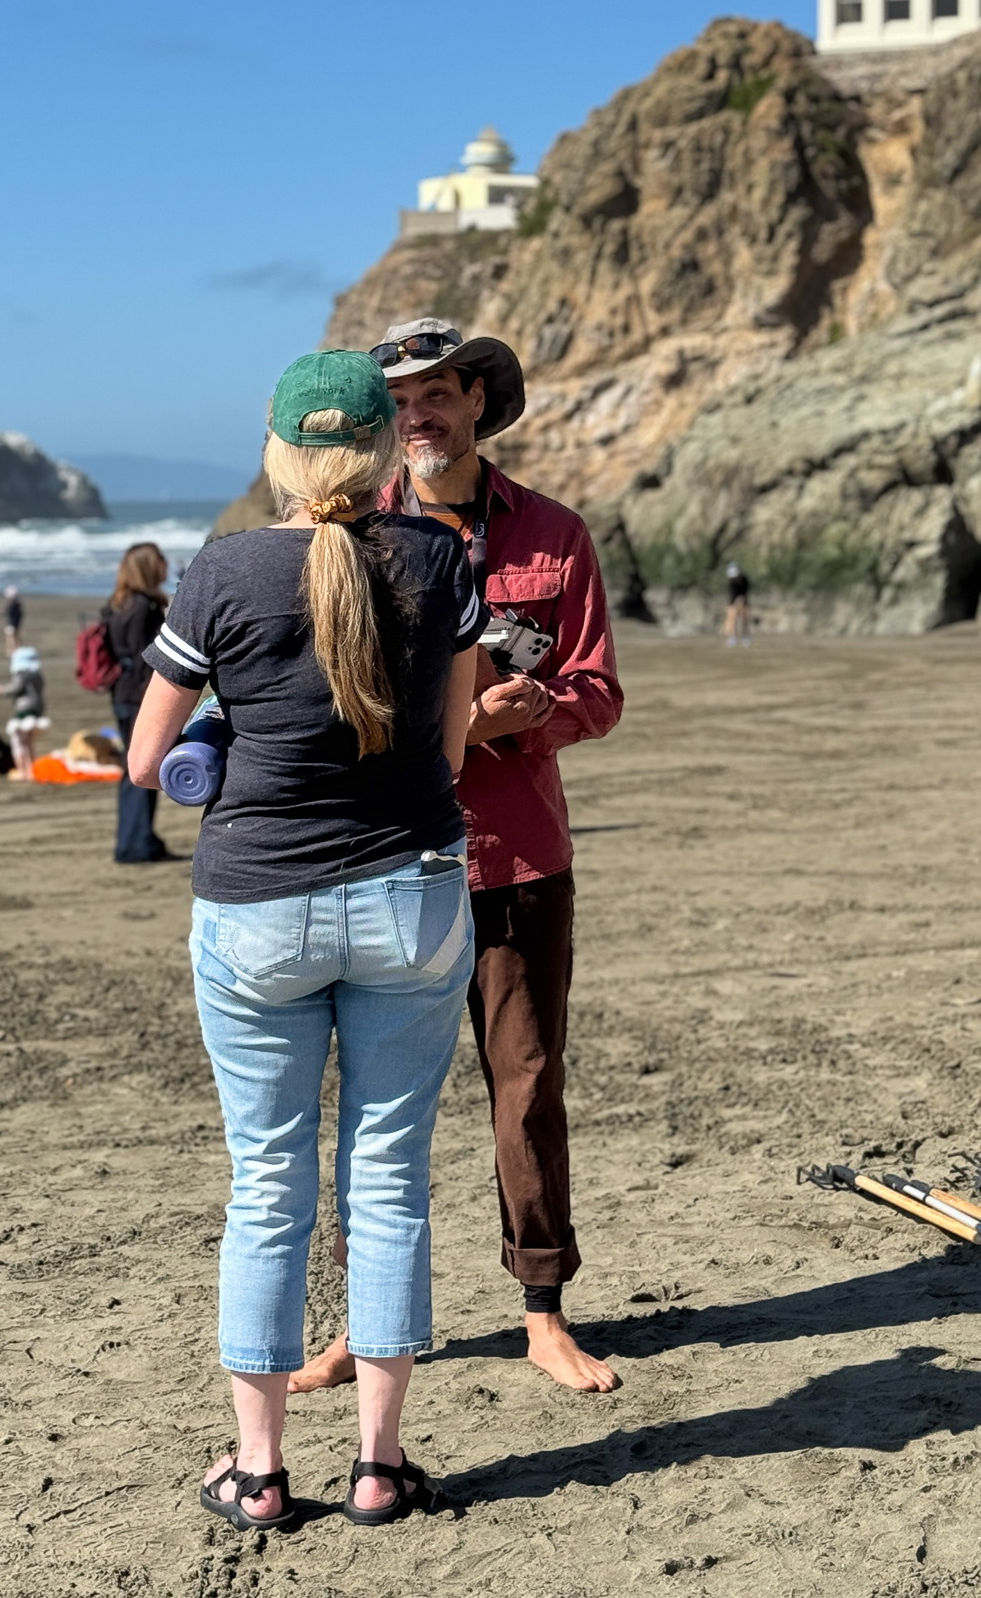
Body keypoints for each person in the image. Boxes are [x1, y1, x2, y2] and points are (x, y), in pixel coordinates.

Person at [128, 350, 484, 1530]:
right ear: (388, 447)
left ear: (278, 450)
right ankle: (380, 1467)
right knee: (388, 1182)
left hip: (258, 905)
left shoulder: (224, 570)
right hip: (413, 894)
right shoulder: (439, 557)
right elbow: (451, 747)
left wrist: (234, 737)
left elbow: (145, 767)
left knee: (268, 1183)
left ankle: (260, 1469)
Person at [291, 318, 624, 1397]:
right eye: (399, 400)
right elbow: (318, 701)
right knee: (379, 1108)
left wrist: (529, 717)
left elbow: (601, 691)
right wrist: (452, 726)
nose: (420, 413)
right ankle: (363, 1326)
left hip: (520, 859)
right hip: (384, 855)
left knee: (525, 1088)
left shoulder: (556, 534)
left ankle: (542, 1311)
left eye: (439, 392)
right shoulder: (343, 537)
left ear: (478, 400)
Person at [103, 543, 175, 863]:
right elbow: (149, 657)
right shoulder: (143, 607)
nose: (166, 565)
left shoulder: (117, 604)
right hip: (138, 695)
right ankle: (137, 844)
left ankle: (137, 839)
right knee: (143, 768)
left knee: (133, 768)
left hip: (121, 693)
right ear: (149, 566)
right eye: (161, 560)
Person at [0, 645, 49, 781]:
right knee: (30, 742)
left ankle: (23, 770)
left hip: (23, 710)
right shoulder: (37, 675)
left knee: (19, 742)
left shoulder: (22, 675)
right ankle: (32, 769)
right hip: (37, 710)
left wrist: (0, 690)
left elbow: (14, 688)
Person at [725, 561, 751, 647]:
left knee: (745, 615)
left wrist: (741, 601)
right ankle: (731, 637)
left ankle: (745, 636)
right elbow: (732, 596)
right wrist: (736, 603)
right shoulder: (731, 583)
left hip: (744, 600)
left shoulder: (744, 579)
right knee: (732, 615)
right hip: (733, 602)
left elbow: (745, 592)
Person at [3, 586, 23, 654]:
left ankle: (12, 650)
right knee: (15, 636)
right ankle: (15, 649)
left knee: (11, 638)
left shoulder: (13, 605)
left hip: (12, 623)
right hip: (14, 623)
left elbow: (12, 615)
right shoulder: (17, 605)